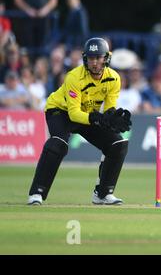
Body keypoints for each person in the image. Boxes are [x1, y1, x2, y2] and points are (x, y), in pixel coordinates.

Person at [27, 37, 132, 206]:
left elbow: (109, 110)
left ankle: (102, 194)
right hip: (60, 111)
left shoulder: (114, 78)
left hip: (88, 114)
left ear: (106, 58)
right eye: (91, 58)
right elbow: (74, 114)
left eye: (99, 57)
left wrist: (111, 119)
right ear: (85, 58)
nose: (95, 62)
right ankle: (36, 193)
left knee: (118, 144)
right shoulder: (74, 77)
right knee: (58, 144)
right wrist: (97, 118)